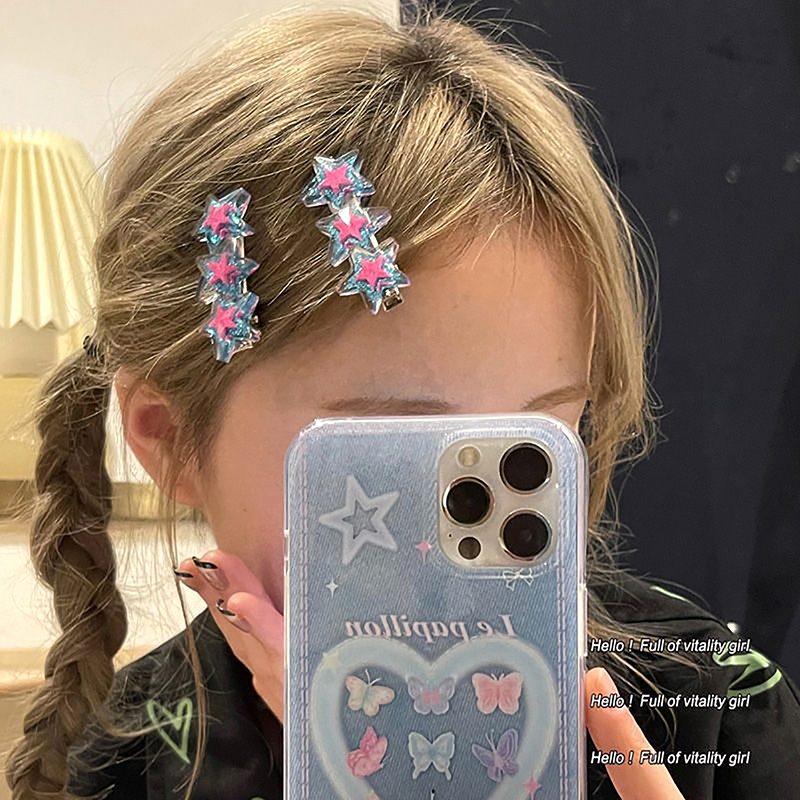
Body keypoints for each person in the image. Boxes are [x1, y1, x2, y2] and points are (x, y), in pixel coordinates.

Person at [5, 5, 799, 800]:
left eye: (537, 440)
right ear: (170, 438)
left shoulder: (715, 708)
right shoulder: (127, 756)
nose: (472, 531)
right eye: (398, 449)